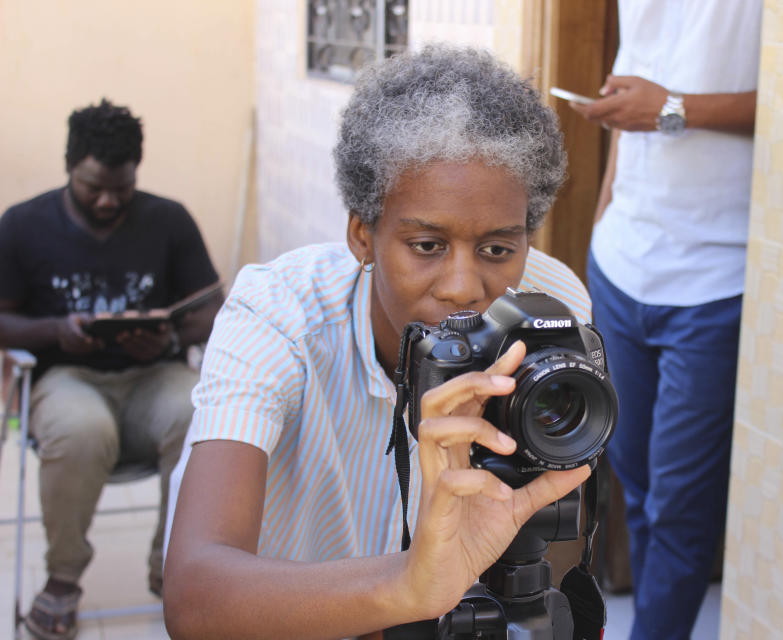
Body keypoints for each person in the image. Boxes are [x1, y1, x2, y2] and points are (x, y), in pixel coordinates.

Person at [161, 45, 596, 639]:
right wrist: (409, 585)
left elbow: (555, 524)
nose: (464, 287)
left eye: (498, 249)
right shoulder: (277, 314)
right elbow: (194, 596)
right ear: (362, 235)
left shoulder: (546, 305)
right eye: (427, 245)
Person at [567, 2, 763, 638]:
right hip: (623, 263)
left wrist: (672, 108)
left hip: (717, 279)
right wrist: (604, 217)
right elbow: (638, 87)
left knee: (680, 508)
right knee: (639, 486)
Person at [0, 99, 223, 640]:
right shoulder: (24, 225)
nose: (107, 200)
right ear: (69, 166)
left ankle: (173, 566)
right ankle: (63, 580)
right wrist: (57, 331)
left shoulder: (167, 219)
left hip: (155, 376)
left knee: (201, 416)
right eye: (92, 187)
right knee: (80, 430)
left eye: (121, 189)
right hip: (67, 379)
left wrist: (169, 335)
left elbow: (213, 310)